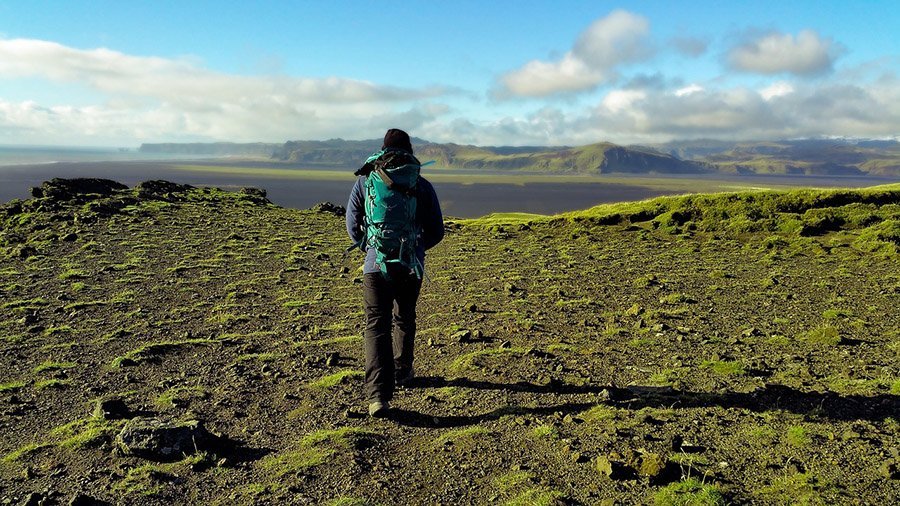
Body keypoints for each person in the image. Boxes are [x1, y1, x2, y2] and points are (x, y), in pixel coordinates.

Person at [346, 128, 444, 417]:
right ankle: (403, 370)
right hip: (411, 266)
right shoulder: (422, 184)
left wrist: (372, 247)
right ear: (410, 150)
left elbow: (352, 225)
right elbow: (437, 231)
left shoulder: (366, 181)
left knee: (376, 325)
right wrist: (415, 249)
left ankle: (378, 396)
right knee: (404, 316)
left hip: (375, 266)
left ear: (382, 149)